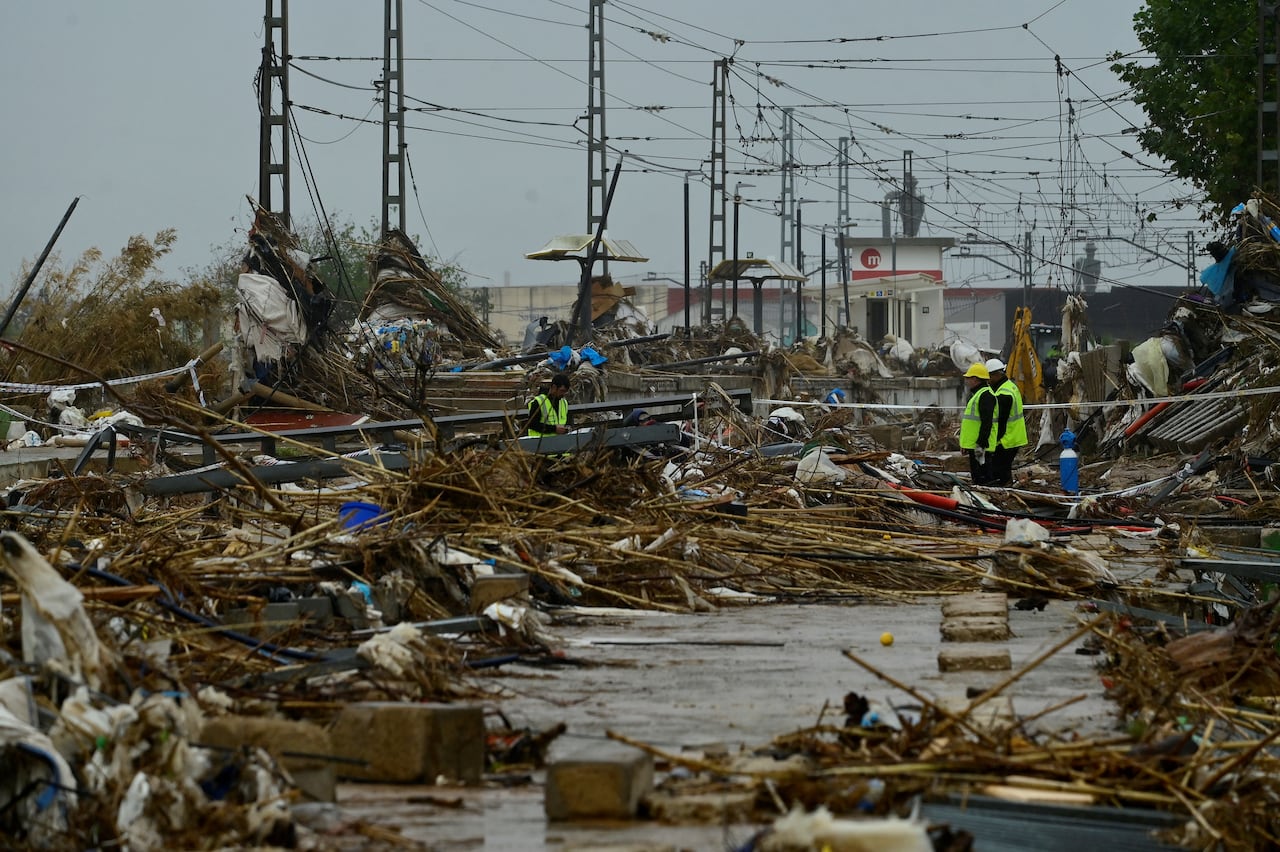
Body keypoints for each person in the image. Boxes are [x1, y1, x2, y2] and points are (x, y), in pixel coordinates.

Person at [986, 358, 1027, 485]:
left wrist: (994, 441)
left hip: (1006, 439)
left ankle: (1003, 493)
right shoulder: (1010, 386)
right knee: (1004, 470)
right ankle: (1008, 490)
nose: (987, 380)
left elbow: (1001, 421)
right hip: (1015, 436)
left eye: (989, 377)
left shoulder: (1003, 393)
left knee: (998, 472)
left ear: (996, 375)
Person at [958, 363, 996, 485]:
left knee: (983, 480)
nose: (966, 380)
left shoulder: (985, 395)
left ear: (975, 379)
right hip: (975, 446)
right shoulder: (978, 395)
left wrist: (981, 444)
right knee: (978, 478)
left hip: (980, 447)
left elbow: (986, 422)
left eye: (968, 378)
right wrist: (965, 444)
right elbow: (971, 423)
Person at [524, 373, 571, 437]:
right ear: (554, 387)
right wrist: (554, 429)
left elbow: (567, 422)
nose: (563, 394)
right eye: (561, 391)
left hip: (558, 442)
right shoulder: (539, 402)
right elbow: (532, 424)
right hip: (539, 442)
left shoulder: (564, 403)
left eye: (565, 391)